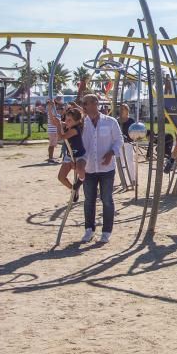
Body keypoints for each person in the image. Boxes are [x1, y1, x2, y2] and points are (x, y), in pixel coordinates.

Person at [78, 94, 123, 244]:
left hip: (107, 169)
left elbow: (119, 140)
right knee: (89, 201)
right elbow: (80, 146)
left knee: (107, 200)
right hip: (89, 168)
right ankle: (89, 230)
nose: (86, 106)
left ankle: (106, 231)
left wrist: (111, 153)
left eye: (89, 103)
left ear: (96, 104)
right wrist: (80, 164)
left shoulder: (110, 122)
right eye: (84, 104)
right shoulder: (82, 124)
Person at [56, 109, 87, 200]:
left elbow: (61, 137)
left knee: (79, 169)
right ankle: (74, 189)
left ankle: (80, 181)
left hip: (80, 155)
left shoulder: (75, 129)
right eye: (66, 119)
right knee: (61, 177)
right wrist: (51, 108)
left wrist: (58, 125)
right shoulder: (67, 126)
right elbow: (55, 120)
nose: (66, 121)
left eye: (70, 120)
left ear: (77, 121)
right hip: (69, 156)